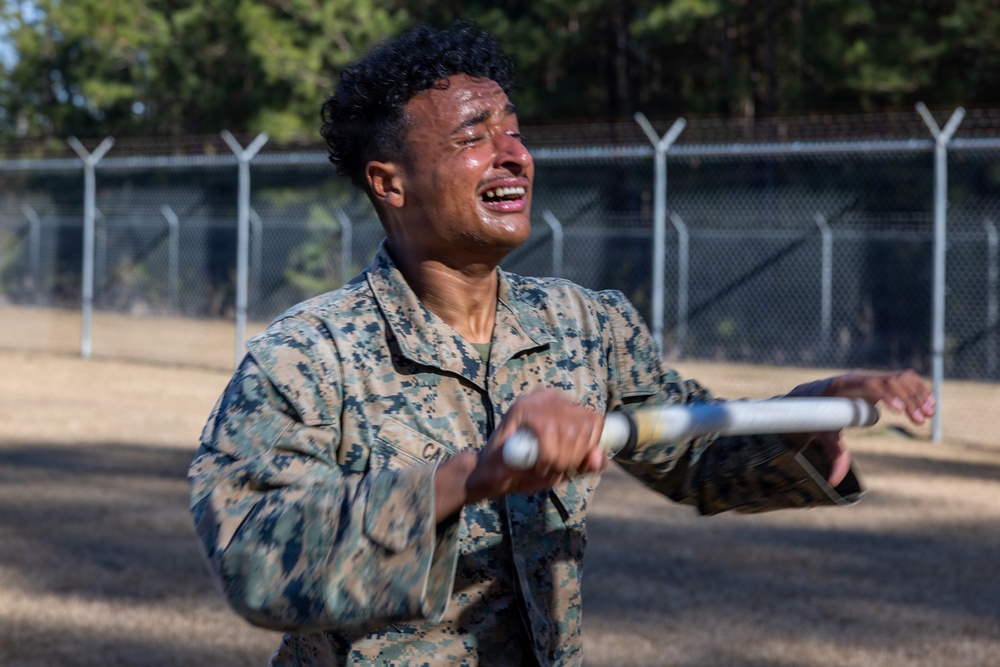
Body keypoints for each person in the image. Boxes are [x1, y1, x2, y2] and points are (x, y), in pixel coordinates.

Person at [188, 22, 935, 667]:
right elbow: (256, 557)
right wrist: (474, 475)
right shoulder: (309, 355)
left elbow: (696, 455)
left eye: (512, 128)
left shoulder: (586, 325)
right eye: (472, 136)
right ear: (390, 183)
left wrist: (803, 414)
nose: (512, 153)